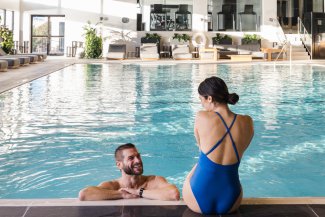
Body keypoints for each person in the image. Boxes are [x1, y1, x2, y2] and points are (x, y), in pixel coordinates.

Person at [182, 76, 254, 215]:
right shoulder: (248, 122)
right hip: (232, 199)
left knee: (192, 173)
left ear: (209, 98)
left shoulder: (201, 117)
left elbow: (200, 147)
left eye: (201, 100)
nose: (202, 105)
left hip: (197, 197)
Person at [79, 143, 180, 201]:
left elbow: (173, 194)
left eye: (138, 156)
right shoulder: (113, 186)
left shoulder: (154, 180)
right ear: (119, 165)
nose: (138, 160)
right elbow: (84, 194)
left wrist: (139, 192)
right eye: (131, 158)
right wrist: (122, 195)